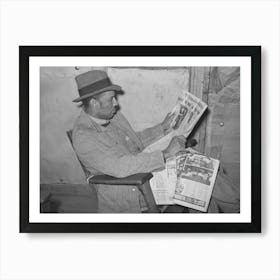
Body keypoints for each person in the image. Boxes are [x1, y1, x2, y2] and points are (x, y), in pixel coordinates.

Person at [72, 70, 240, 213]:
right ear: (94, 103)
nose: (116, 104)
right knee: (199, 178)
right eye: (111, 99)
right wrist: (166, 154)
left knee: (201, 173)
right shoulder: (84, 137)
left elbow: (134, 141)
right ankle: (241, 208)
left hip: (142, 170)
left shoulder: (111, 117)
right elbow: (120, 167)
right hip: (132, 186)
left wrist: (163, 127)